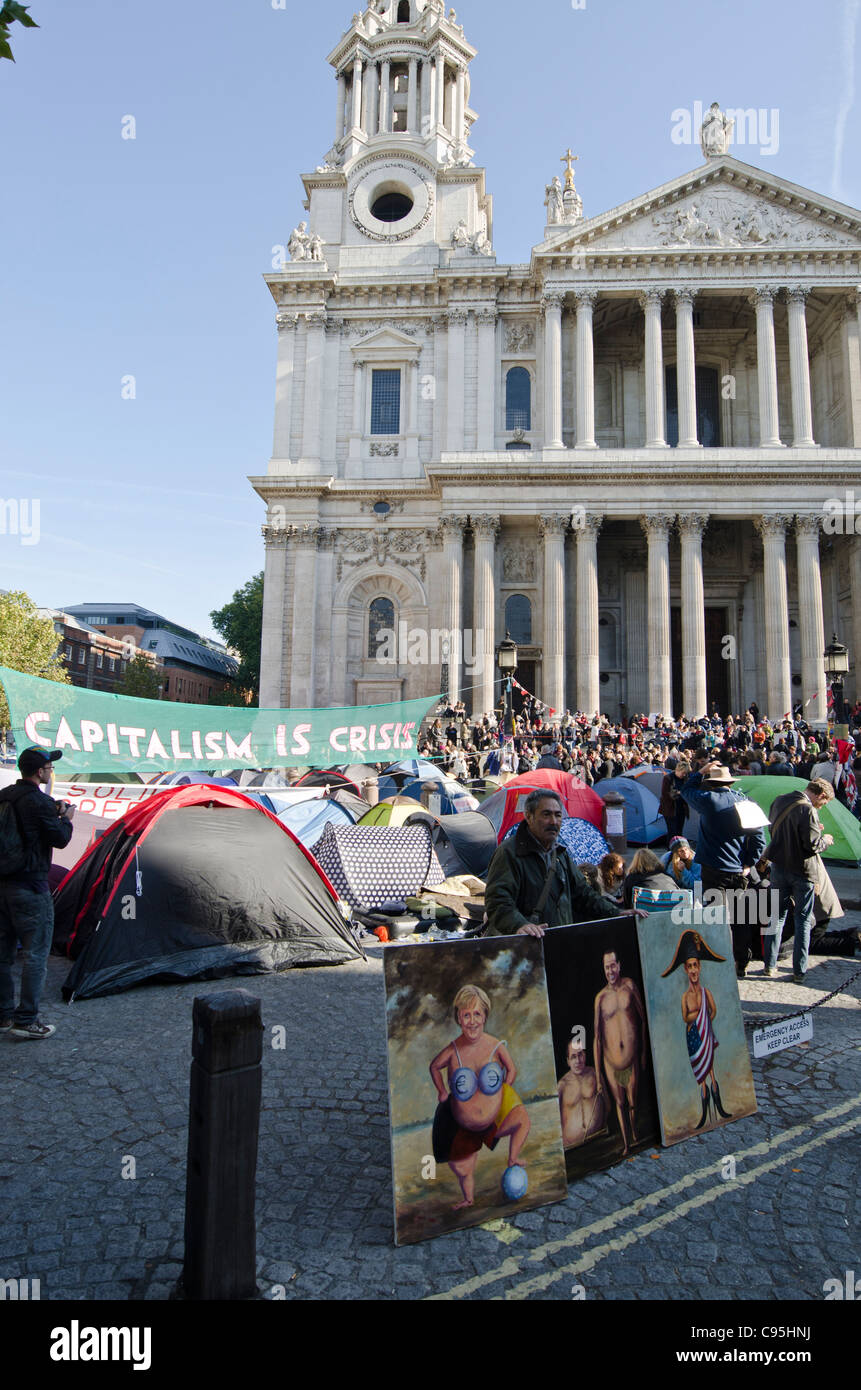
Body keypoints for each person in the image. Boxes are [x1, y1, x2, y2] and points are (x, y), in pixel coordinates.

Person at [430, 984, 530, 1209]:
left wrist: (505, 1089)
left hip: (493, 1122)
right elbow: (434, 1067)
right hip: (464, 1127)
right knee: (463, 1170)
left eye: (477, 1014)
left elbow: (511, 1069)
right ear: (459, 1018)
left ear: (485, 1015)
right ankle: (468, 1199)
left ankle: (512, 1158)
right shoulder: (453, 1050)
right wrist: (442, 1091)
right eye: (466, 1015)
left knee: (522, 1119)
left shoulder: (495, 1046)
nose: (472, 1020)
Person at [0, 746, 74, 1040]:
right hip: (30, 886)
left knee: (3, 956)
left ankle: (4, 1015)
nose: (51, 771)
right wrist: (66, 818)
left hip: (2, 884)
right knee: (35, 954)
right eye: (49, 767)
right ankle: (27, 1019)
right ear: (39, 772)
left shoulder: (4, 795)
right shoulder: (39, 802)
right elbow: (61, 840)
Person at [484, 790, 631, 937]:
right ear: (529, 816)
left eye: (558, 815)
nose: (553, 821)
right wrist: (519, 925)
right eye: (546, 814)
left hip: (558, 942)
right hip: (524, 948)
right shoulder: (509, 852)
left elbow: (582, 893)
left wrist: (617, 912)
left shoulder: (560, 853)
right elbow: (497, 901)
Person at [680, 762, 766, 978]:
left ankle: (718, 960)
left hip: (712, 868)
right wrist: (748, 863)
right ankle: (741, 962)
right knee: (740, 919)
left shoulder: (708, 800)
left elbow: (686, 791)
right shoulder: (744, 801)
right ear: (729, 783)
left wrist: (700, 771)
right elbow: (759, 840)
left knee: (714, 917)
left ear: (711, 782)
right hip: (737, 870)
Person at [761, 778, 836, 982]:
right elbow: (812, 845)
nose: (821, 806)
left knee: (776, 918)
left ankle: (769, 965)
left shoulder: (779, 801)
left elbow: (775, 831)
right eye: (824, 803)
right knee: (802, 920)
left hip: (778, 867)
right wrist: (826, 840)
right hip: (802, 871)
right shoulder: (808, 810)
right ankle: (799, 971)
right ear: (820, 795)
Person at [662, 929, 732, 1131]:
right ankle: (704, 1114)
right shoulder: (685, 997)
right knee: (701, 1077)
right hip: (693, 1037)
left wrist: (703, 1021)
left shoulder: (705, 992)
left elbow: (713, 1010)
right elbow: (685, 1017)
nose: (693, 970)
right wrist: (697, 1018)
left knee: (711, 1071)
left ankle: (720, 1108)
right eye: (689, 966)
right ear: (685, 969)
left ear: (699, 968)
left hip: (706, 1034)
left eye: (696, 966)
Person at [593, 948, 648, 1154]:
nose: (610, 970)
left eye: (613, 965)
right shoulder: (600, 998)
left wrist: (643, 1053)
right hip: (610, 1061)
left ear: (619, 965)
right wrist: (598, 1076)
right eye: (607, 967)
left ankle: (634, 1132)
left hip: (631, 1057)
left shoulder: (629, 986)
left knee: (633, 1103)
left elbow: (642, 1019)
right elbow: (597, 1038)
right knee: (620, 1103)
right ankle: (626, 1145)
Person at [557, 1035, 608, 1148]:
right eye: (573, 1057)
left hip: (598, 1139)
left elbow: (608, 1105)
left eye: (580, 1054)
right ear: (568, 1061)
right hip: (572, 1148)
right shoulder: (562, 1086)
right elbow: (554, 1124)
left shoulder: (595, 1074)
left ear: (585, 1055)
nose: (578, 1061)